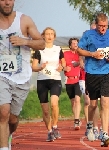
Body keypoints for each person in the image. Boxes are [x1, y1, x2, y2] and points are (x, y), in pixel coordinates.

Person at [0, 1, 45, 150]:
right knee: (3, 112)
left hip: (21, 77)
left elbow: (41, 43)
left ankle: (7, 135)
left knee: (12, 119)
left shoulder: (24, 20)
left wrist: (24, 41)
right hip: (2, 76)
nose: (7, 2)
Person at [77, 12, 109, 147]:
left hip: (107, 72)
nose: (103, 29)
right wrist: (92, 54)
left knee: (106, 102)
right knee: (93, 104)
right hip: (92, 72)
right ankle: (90, 125)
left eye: (105, 26)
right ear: (96, 25)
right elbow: (79, 50)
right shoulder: (88, 35)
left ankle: (105, 132)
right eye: (101, 26)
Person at [32, 27, 65, 142]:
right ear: (43, 36)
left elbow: (63, 63)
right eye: (47, 34)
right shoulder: (39, 50)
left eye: (51, 34)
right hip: (42, 81)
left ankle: (55, 126)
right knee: (45, 110)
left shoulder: (58, 49)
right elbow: (33, 66)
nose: (49, 36)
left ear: (54, 36)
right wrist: (40, 67)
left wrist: (62, 67)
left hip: (55, 79)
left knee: (54, 104)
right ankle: (49, 131)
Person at [63, 38, 82, 130]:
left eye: (76, 43)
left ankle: (77, 120)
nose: (75, 44)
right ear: (70, 45)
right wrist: (64, 68)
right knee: (73, 102)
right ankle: (76, 117)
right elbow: (61, 64)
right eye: (73, 43)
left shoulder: (80, 54)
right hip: (68, 81)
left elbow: (84, 63)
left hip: (78, 80)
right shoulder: (65, 54)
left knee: (77, 100)